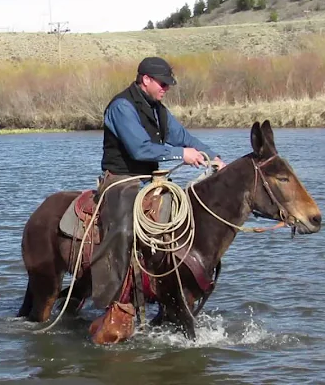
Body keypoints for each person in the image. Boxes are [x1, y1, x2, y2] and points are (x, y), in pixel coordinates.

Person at [88, 56, 226, 344]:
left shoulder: (159, 111)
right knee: (125, 229)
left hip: (153, 182)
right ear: (145, 79)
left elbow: (185, 138)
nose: (166, 88)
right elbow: (139, 149)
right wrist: (181, 155)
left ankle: (168, 291)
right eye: (162, 83)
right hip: (121, 180)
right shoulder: (121, 107)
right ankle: (116, 300)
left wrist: (215, 158)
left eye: (168, 84)